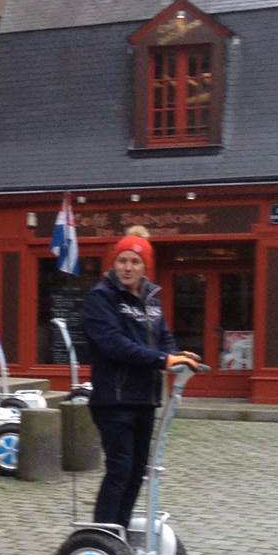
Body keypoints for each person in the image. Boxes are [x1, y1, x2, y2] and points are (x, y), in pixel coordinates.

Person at [79, 227, 200, 532]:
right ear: (114, 263)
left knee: (136, 472)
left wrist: (176, 355)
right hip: (114, 398)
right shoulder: (101, 298)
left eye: (135, 261)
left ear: (145, 266)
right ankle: (104, 534)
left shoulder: (151, 298)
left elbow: (163, 336)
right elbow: (115, 345)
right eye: (122, 261)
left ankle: (118, 531)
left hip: (145, 397)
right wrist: (162, 360)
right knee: (119, 469)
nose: (128, 267)